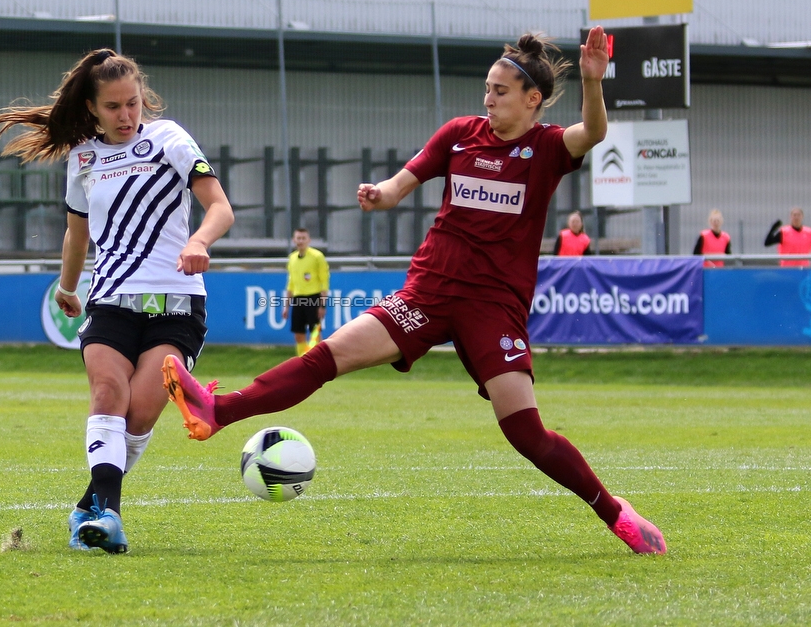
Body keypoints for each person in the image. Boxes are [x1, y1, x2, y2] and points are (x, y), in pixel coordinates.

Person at [162, 27, 666, 555]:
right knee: (326, 357)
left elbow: (593, 133)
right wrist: (378, 194)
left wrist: (592, 81)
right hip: (428, 292)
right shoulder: (458, 134)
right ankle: (217, 411)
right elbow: (399, 186)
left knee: (526, 433)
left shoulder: (545, 148)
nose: (488, 98)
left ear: (531, 99)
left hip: (493, 308)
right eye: (487, 88)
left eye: (500, 90)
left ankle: (617, 515)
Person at [0, 48, 233, 553]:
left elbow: (220, 207)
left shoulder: (170, 139)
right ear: (93, 108)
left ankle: (88, 508)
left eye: (133, 103)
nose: (126, 116)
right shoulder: (83, 157)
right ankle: (111, 518)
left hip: (177, 305)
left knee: (138, 417)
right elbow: (77, 235)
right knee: (107, 395)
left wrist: (198, 241)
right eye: (114, 107)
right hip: (111, 300)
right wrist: (68, 286)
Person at [282, 228, 330, 356]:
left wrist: (322, 304)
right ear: (294, 240)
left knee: (315, 333)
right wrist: (286, 306)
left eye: (303, 238)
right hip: (298, 299)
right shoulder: (292, 258)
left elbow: (324, 281)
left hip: (313, 297)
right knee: (298, 334)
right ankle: (302, 361)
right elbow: (290, 283)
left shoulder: (317, 256)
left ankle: (319, 361)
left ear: (308, 240)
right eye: (298, 238)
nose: (301, 241)